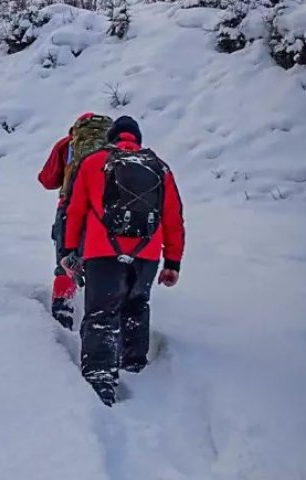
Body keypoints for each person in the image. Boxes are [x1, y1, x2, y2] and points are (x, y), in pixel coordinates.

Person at [61, 116, 185, 406]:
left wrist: (69, 250)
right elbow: (173, 219)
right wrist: (173, 263)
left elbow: (76, 210)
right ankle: (135, 369)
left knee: (101, 314)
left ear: (112, 138)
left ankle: (100, 379)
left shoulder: (93, 162)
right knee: (136, 306)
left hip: (101, 252)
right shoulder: (160, 168)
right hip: (147, 255)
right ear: (137, 140)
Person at [38, 113, 113, 330]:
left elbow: (47, 179)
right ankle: (100, 320)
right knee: (102, 266)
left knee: (66, 264)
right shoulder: (114, 147)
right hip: (102, 213)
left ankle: (63, 315)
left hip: (68, 209)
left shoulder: (67, 144)